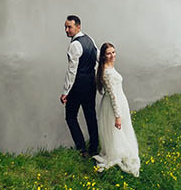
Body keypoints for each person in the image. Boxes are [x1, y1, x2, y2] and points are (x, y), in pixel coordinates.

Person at [93, 42, 140, 176]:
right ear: (103, 56)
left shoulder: (108, 66)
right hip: (114, 104)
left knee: (121, 130)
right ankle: (116, 153)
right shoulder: (106, 72)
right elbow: (113, 96)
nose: (112, 55)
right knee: (116, 130)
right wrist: (117, 116)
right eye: (108, 53)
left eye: (113, 52)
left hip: (120, 101)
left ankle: (119, 150)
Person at [60, 15, 99, 157]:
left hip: (78, 85)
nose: (66, 30)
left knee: (70, 116)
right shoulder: (90, 40)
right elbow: (98, 58)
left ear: (78, 27)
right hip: (91, 83)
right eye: (65, 27)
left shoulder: (74, 45)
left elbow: (72, 71)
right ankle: (94, 148)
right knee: (90, 115)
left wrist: (65, 92)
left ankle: (82, 149)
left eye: (69, 27)